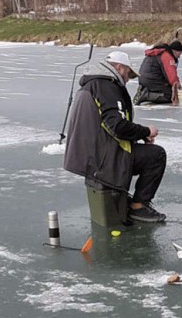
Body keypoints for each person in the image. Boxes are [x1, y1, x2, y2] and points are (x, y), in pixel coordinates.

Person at [63, 51, 168, 223]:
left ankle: (128, 201)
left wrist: (137, 136)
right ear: (119, 67)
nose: (128, 79)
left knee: (147, 153)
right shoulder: (107, 86)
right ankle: (138, 207)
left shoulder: (92, 83)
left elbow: (107, 126)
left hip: (93, 156)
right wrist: (146, 131)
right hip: (105, 158)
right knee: (156, 155)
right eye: (128, 73)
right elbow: (117, 126)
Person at [133, 40, 182, 106]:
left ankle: (145, 90)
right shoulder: (167, 56)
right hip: (152, 80)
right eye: (179, 54)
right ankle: (146, 95)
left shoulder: (159, 52)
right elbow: (171, 75)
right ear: (175, 51)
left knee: (168, 89)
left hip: (145, 79)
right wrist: (177, 85)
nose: (179, 57)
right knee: (171, 96)